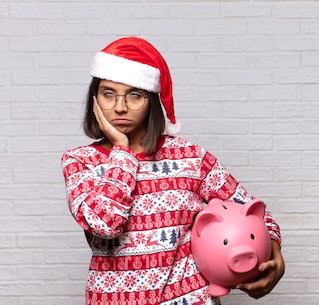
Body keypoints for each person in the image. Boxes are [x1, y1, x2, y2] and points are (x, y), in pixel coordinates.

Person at [61, 37, 284, 305]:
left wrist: (275, 256)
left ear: (151, 99)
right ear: (94, 99)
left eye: (134, 94)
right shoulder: (80, 161)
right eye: (109, 94)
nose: (120, 107)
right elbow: (106, 225)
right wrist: (122, 151)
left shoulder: (190, 157)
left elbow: (254, 212)